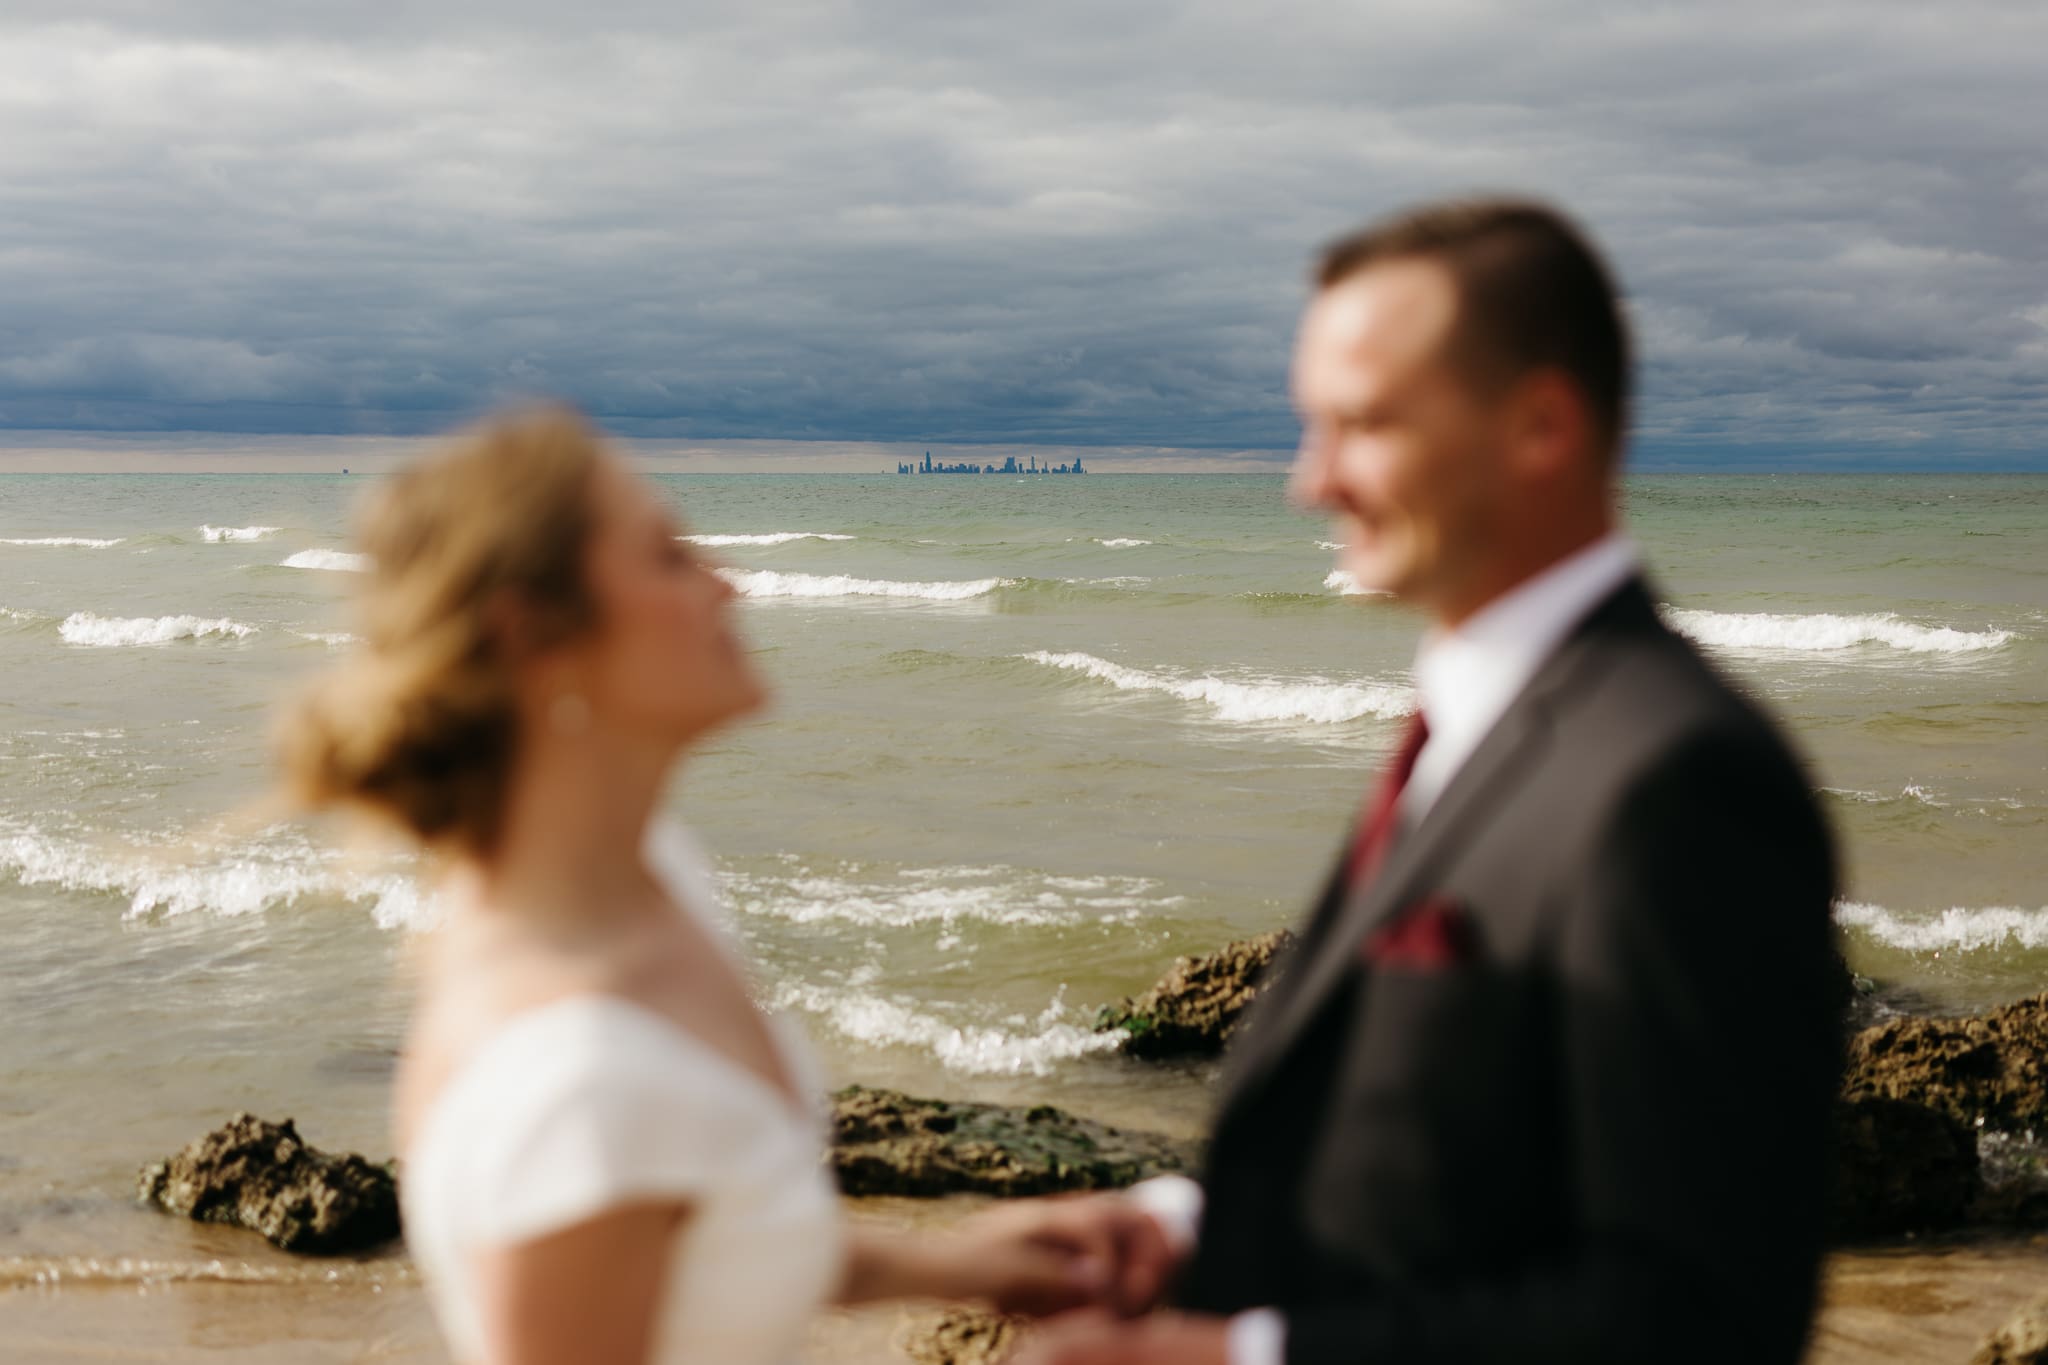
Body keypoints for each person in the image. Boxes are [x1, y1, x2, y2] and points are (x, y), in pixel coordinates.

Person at [1015, 199, 1843, 1365]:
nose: (1309, 482)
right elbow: (1450, 1165)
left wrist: (1231, 1359)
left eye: (1360, 426)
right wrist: (1175, 1231)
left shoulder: (1675, 777)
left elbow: (1698, 1316)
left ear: (1540, 424)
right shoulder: (1476, 729)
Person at [276, 409, 1163, 1365]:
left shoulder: (653, 875)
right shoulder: (571, 1082)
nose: (726, 583)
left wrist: (961, 1265)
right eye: (667, 556)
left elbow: (706, 1250)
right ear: (537, 638)